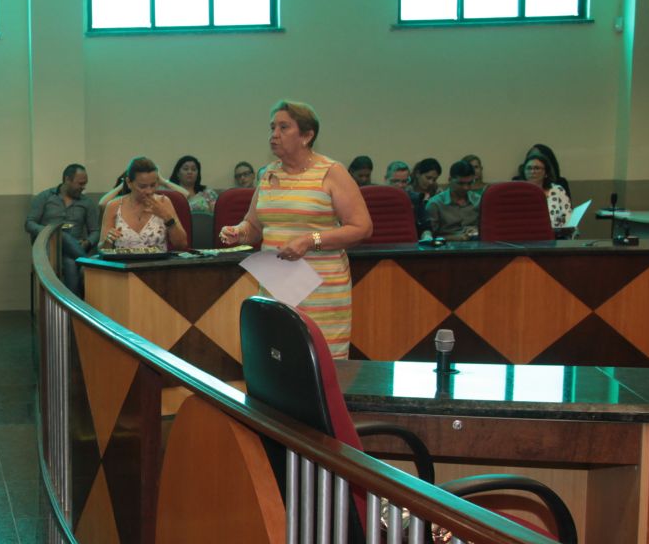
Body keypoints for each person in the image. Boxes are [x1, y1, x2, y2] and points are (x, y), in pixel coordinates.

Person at [219, 100, 372, 358]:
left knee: (320, 366)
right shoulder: (268, 174)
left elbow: (362, 228)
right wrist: (238, 231)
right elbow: (254, 226)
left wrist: (309, 240)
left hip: (321, 291)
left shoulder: (331, 172)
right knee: (280, 362)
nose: (274, 135)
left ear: (307, 135)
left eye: (283, 127)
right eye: (272, 127)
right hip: (277, 288)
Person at [25, 164, 98, 294]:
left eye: (85, 184)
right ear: (67, 179)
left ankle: (73, 310)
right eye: (80, 184)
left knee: (70, 264)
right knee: (59, 233)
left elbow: (95, 231)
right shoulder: (45, 197)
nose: (83, 188)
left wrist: (87, 242)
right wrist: (48, 231)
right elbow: (29, 223)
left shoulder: (87, 203)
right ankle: (88, 263)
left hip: (72, 251)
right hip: (49, 247)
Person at [100, 157, 189, 252]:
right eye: (142, 186)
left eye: (153, 185)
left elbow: (182, 245)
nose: (149, 191)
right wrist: (107, 241)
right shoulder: (114, 206)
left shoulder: (164, 202)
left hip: (157, 264)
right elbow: (101, 249)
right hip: (124, 264)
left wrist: (167, 217)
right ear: (129, 183)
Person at [425, 160, 482, 240]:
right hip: (445, 248)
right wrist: (453, 238)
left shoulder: (478, 200)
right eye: (461, 183)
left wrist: (477, 231)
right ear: (450, 179)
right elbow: (430, 237)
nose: (466, 188)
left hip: (476, 246)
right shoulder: (435, 204)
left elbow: (489, 229)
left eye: (469, 183)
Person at [521, 150, 573, 229]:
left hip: (557, 236)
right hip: (527, 236)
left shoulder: (557, 190)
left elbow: (567, 218)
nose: (532, 171)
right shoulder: (518, 192)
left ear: (546, 173)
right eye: (529, 168)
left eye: (537, 168)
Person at [408, 158, 442, 232]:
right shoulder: (408, 192)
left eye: (434, 179)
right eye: (428, 178)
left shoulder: (437, 192)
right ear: (417, 174)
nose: (431, 182)